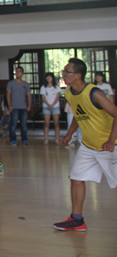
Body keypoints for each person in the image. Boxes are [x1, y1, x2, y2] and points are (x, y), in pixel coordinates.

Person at [54, 58, 117, 232]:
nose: (63, 74)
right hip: (89, 146)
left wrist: (111, 140)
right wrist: (69, 134)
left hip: (110, 146)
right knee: (76, 177)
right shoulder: (69, 93)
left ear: (78, 75)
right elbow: (79, 113)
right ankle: (77, 220)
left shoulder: (94, 93)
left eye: (67, 71)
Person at [6, 66, 32, 146]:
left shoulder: (25, 84)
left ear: (22, 73)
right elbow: (8, 94)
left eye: (19, 71)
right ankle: (13, 139)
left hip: (23, 107)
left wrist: (29, 105)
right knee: (13, 124)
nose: (18, 73)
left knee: (24, 125)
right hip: (14, 107)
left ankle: (24, 139)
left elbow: (29, 95)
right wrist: (9, 105)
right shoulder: (11, 83)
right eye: (16, 71)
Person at [40, 72, 61, 144]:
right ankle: (46, 139)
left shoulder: (57, 87)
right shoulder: (43, 87)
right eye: (47, 77)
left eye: (50, 77)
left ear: (52, 78)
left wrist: (52, 104)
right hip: (46, 107)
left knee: (56, 123)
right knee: (46, 123)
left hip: (55, 107)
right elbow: (43, 97)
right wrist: (48, 104)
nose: (48, 78)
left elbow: (57, 97)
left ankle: (57, 139)